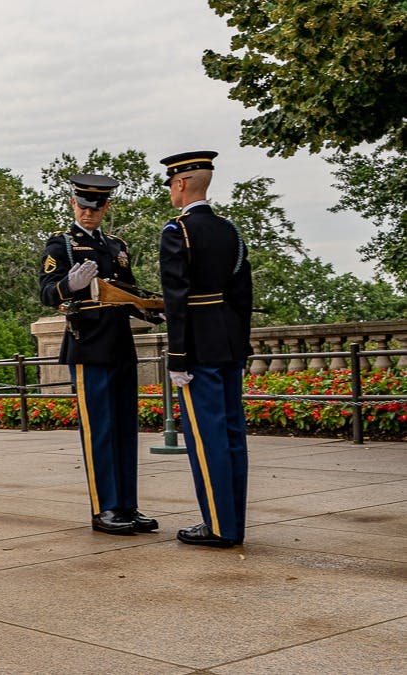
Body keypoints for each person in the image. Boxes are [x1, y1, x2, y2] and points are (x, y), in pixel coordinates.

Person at [39, 174, 159, 536]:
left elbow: (128, 293)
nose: (89, 212)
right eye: (83, 205)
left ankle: (127, 505)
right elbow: (46, 292)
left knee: (125, 430)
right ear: (74, 204)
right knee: (100, 431)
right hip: (89, 344)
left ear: (106, 206)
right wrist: (68, 286)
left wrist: (153, 310)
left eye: (97, 206)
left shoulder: (116, 246)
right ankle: (105, 508)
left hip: (120, 344)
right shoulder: (62, 245)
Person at [158, 151, 253, 548]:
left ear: (180, 184)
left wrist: (177, 358)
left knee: (207, 437)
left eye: (171, 184)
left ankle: (216, 526)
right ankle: (233, 524)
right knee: (232, 435)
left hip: (198, 348)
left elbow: (176, 299)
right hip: (229, 343)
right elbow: (243, 295)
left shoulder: (177, 231)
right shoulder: (231, 231)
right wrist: (242, 346)